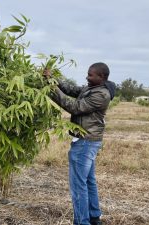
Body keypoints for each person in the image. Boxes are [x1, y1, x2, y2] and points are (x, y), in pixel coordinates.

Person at [44, 62, 116, 225]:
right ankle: (94, 217)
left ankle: (82, 222)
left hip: (85, 143)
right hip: (87, 141)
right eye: (88, 74)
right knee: (88, 181)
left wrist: (50, 89)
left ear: (102, 77)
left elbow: (75, 107)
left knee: (78, 186)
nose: (87, 77)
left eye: (91, 75)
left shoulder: (101, 95)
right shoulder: (92, 88)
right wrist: (53, 79)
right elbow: (71, 90)